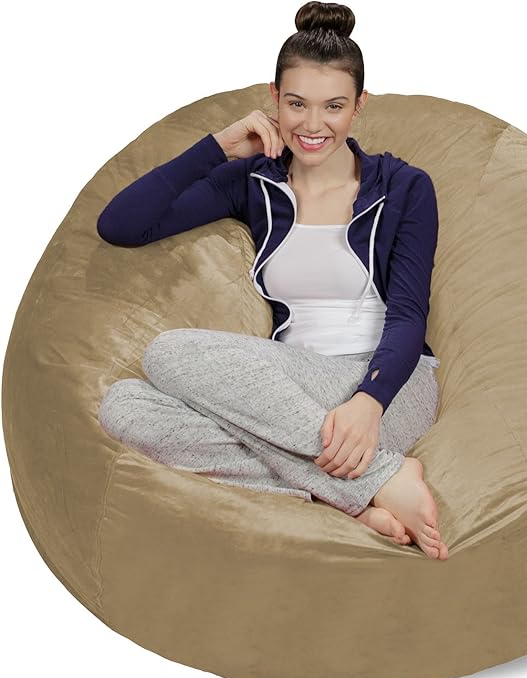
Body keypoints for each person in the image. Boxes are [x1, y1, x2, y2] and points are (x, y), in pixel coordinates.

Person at [96, 1, 447, 560]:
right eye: (297, 104)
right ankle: (372, 484)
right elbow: (121, 226)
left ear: (359, 105)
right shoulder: (251, 182)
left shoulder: (405, 186)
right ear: (274, 98)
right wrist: (217, 148)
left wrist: (369, 401)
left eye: (334, 106)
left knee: (168, 353)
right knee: (123, 406)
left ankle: (350, 480)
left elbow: (408, 315)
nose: (313, 125)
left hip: (391, 388)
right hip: (287, 387)